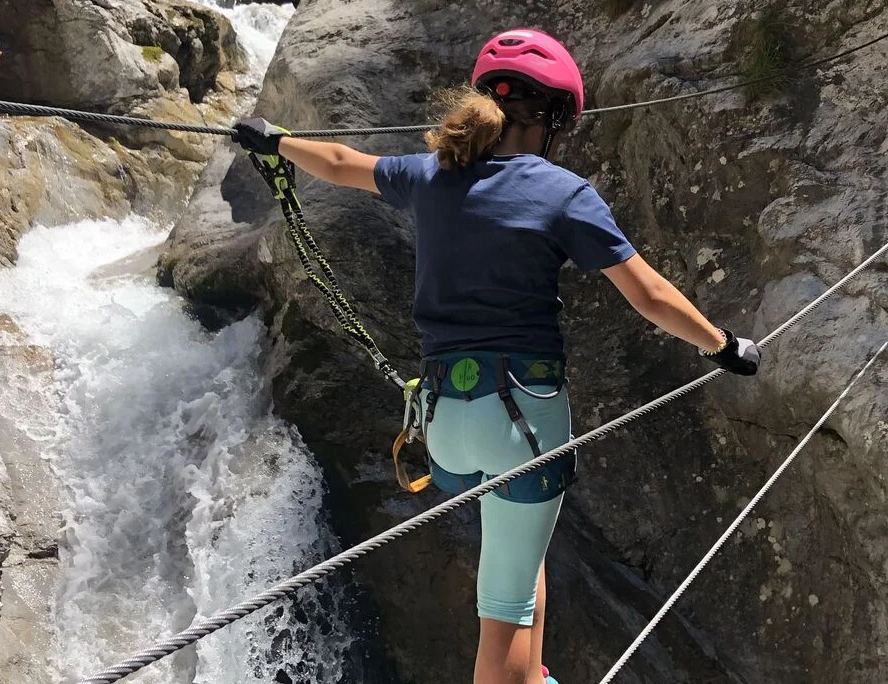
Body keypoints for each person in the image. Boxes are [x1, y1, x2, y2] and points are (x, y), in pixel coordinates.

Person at [231, 27, 762, 684]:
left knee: (522, 552)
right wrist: (723, 345)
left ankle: (534, 675)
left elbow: (340, 162)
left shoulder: (428, 175)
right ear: (554, 123)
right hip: (523, 422)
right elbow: (648, 294)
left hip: (448, 428)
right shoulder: (564, 193)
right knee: (505, 606)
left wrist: (275, 140)